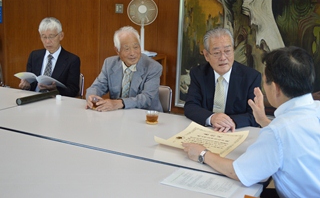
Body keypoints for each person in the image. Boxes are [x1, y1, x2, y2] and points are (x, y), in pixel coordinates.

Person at [182, 46, 320, 197]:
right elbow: (294, 139)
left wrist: (202, 153)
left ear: (275, 88)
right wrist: (263, 120)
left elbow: (238, 172)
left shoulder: (277, 132)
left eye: (265, 81)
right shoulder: (314, 110)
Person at [184, 27, 261, 132]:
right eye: (216, 53)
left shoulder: (251, 77)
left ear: (233, 50)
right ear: (206, 55)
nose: (223, 57)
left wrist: (229, 122)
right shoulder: (198, 73)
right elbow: (190, 106)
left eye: (227, 51)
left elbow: (255, 114)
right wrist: (212, 118)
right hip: (206, 131)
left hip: (236, 131)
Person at [86, 26, 163, 112]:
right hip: (118, 115)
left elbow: (146, 98)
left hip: (145, 115)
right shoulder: (109, 63)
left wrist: (119, 103)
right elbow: (98, 86)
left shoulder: (153, 67)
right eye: (127, 49)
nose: (132, 53)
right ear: (117, 50)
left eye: (136, 47)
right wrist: (91, 96)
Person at [19, 17, 80, 97]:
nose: (47, 41)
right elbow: (31, 84)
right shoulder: (34, 56)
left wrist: (55, 90)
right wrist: (26, 85)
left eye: (51, 36)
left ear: (61, 36)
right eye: (44, 37)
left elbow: (73, 91)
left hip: (57, 103)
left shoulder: (72, 60)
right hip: (34, 100)